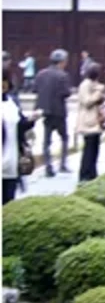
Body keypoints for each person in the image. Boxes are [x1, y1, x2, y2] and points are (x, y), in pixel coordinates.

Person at [34, 49, 71, 177]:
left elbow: (35, 90)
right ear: (62, 62)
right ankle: (62, 164)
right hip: (59, 111)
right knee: (64, 138)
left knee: (46, 141)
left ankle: (48, 166)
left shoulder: (41, 74)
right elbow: (66, 93)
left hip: (46, 111)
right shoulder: (62, 75)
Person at [2, 72, 37, 204]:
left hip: (11, 161)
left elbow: (19, 126)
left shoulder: (11, 103)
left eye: (4, 80)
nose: (3, 84)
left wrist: (31, 120)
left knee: (8, 201)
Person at [76, 64, 105, 182]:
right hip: (88, 120)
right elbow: (86, 101)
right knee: (88, 148)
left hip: (96, 119)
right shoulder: (85, 84)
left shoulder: (95, 84)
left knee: (95, 148)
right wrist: (98, 92)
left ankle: (92, 172)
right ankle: (85, 174)